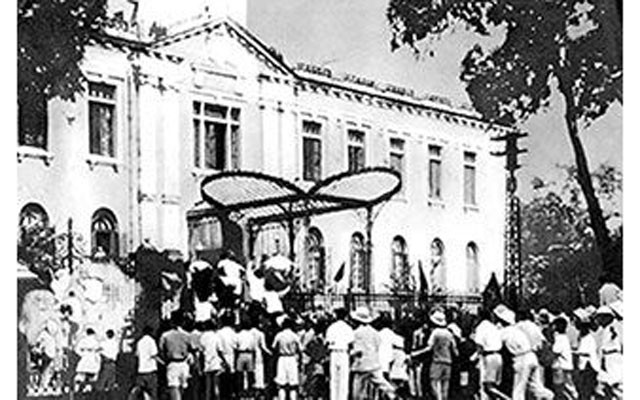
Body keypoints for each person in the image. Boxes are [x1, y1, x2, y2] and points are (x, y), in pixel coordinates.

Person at [494, 304, 553, 400]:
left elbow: (495, 345)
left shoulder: (505, 331)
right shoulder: (517, 330)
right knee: (536, 386)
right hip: (531, 356)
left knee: (518, 390)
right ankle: (549, 396)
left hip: (521, 358)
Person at [350, 306, 396, 400]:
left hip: (361, 364)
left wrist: (351, 354)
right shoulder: (374, 332)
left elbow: (357, 349)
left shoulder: (356, 333)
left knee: (358, 388)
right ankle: (393, 395)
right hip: (374, 362)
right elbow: (378, 344)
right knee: (381, 382)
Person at [412, 310, 457, 400]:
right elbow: (455, 349)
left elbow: (429, 347)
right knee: (445, 385)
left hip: (437, 361)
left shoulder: (435, 332)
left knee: (434, 383)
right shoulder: (449, 333)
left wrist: (416, 353)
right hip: (448, 362)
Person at [159, 312, 192, 400]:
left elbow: (161, 351)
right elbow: (190, 349)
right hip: (184, 364)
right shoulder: (187, 335)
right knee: (183, 389)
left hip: (172, 364)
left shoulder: (165, 336)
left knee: (174, 388)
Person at [473, 308, 504, 400]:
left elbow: (479, 345)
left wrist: (474, 357)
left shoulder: (481, 327)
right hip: (498, 356)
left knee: (486, 385)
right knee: (494, 384)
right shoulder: (493, 327)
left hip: (488, 357)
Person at [325, 307, 354, 400]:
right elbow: (351, 343)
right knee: (343, 379)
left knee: (334, 379)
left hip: (334, 353)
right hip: (343, 353)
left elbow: (327, 342)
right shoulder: (348, 328)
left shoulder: (331, 327)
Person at [594, 305, 622, 399]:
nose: (598, 320)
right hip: (605, 358)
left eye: (601, 317)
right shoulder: (603, 330)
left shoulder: (616, 327)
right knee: (604, 385)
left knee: (617, 384)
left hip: (614, 358)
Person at [272, 317, 303, 400]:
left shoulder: (279, 335)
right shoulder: (294, 335)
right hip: (292, 359)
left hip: (282, 358)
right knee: (293, 383)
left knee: (281, 383)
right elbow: (301, 349)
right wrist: (300, 361)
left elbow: (273, 347)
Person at [550, 317, 578, 400]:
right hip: (566, 366)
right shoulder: (564, 337)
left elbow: (555, 350)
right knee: (567, 388)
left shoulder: (560, 338)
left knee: (564, 388)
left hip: (562, 366)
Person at [573, 311, 597, 400]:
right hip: (581, 365)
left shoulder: (590, 338)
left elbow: (588, 352)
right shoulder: (580, 336)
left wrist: (576, 352)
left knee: (586, 391)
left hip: (588, 366)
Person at [216, 311, 239, 398]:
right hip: (231, 356)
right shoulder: (233, 333)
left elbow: (218, 347)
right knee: (231, 381)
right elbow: (236, 347)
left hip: (220, 358)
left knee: (222, 382)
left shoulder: (219, 333)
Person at [135, 326, 160, 400]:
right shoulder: (151, 341)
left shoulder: (139, 342)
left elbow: (137, 355)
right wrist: (163, 363)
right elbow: (154, 355)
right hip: (150, 370)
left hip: (141, 370)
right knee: (152, 393)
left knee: (143, 393)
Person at [199, 319, 222, 400]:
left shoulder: (203, 337)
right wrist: (225, 362)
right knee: (216, 386)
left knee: (207, 387)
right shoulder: (216, 336)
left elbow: (201, 351)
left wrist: (200, 365)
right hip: (215, 362)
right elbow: (219, 350)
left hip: (207, 362)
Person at [251, 318, 272, 399]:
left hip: (250, 353)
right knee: (259, 371)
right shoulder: (260, 333)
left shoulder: (249, 332)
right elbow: (263, 347)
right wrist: (270, 353)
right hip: (258, 354)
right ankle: (259, 389)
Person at [236, 318, 257, 394]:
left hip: (241, 354)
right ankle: (250, 390)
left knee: (240, 373)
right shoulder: (251, 335)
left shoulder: (238, 335)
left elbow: (236, 345)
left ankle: (240, 390)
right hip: (249, 354)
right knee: (250, 373)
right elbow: (254, 347)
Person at [97, 329, 119, 398]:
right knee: (111, 382)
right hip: (113, 364)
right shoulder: (116, 343)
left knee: (102, 382)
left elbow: (99, 351)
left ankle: (100, 397)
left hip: (106, 363)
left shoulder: (104, 343)